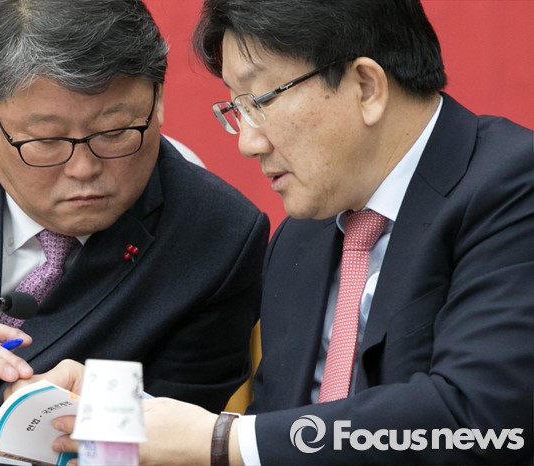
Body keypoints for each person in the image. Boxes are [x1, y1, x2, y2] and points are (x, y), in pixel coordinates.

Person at [46, 0, 534, 464]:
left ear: (366, 87)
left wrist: (220, 439)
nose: (248, 143)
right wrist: (126, 417)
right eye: (236, 110)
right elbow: (275, 434)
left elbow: (481, 422)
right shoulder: (299, 239)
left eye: (259, 101)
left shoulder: (514, 187)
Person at [0, 0, 270, 449]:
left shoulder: (218, 238)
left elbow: (174, 439)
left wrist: (105, 412)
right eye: (46, 140)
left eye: (114, 133)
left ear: (157, 102)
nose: (83, 169)